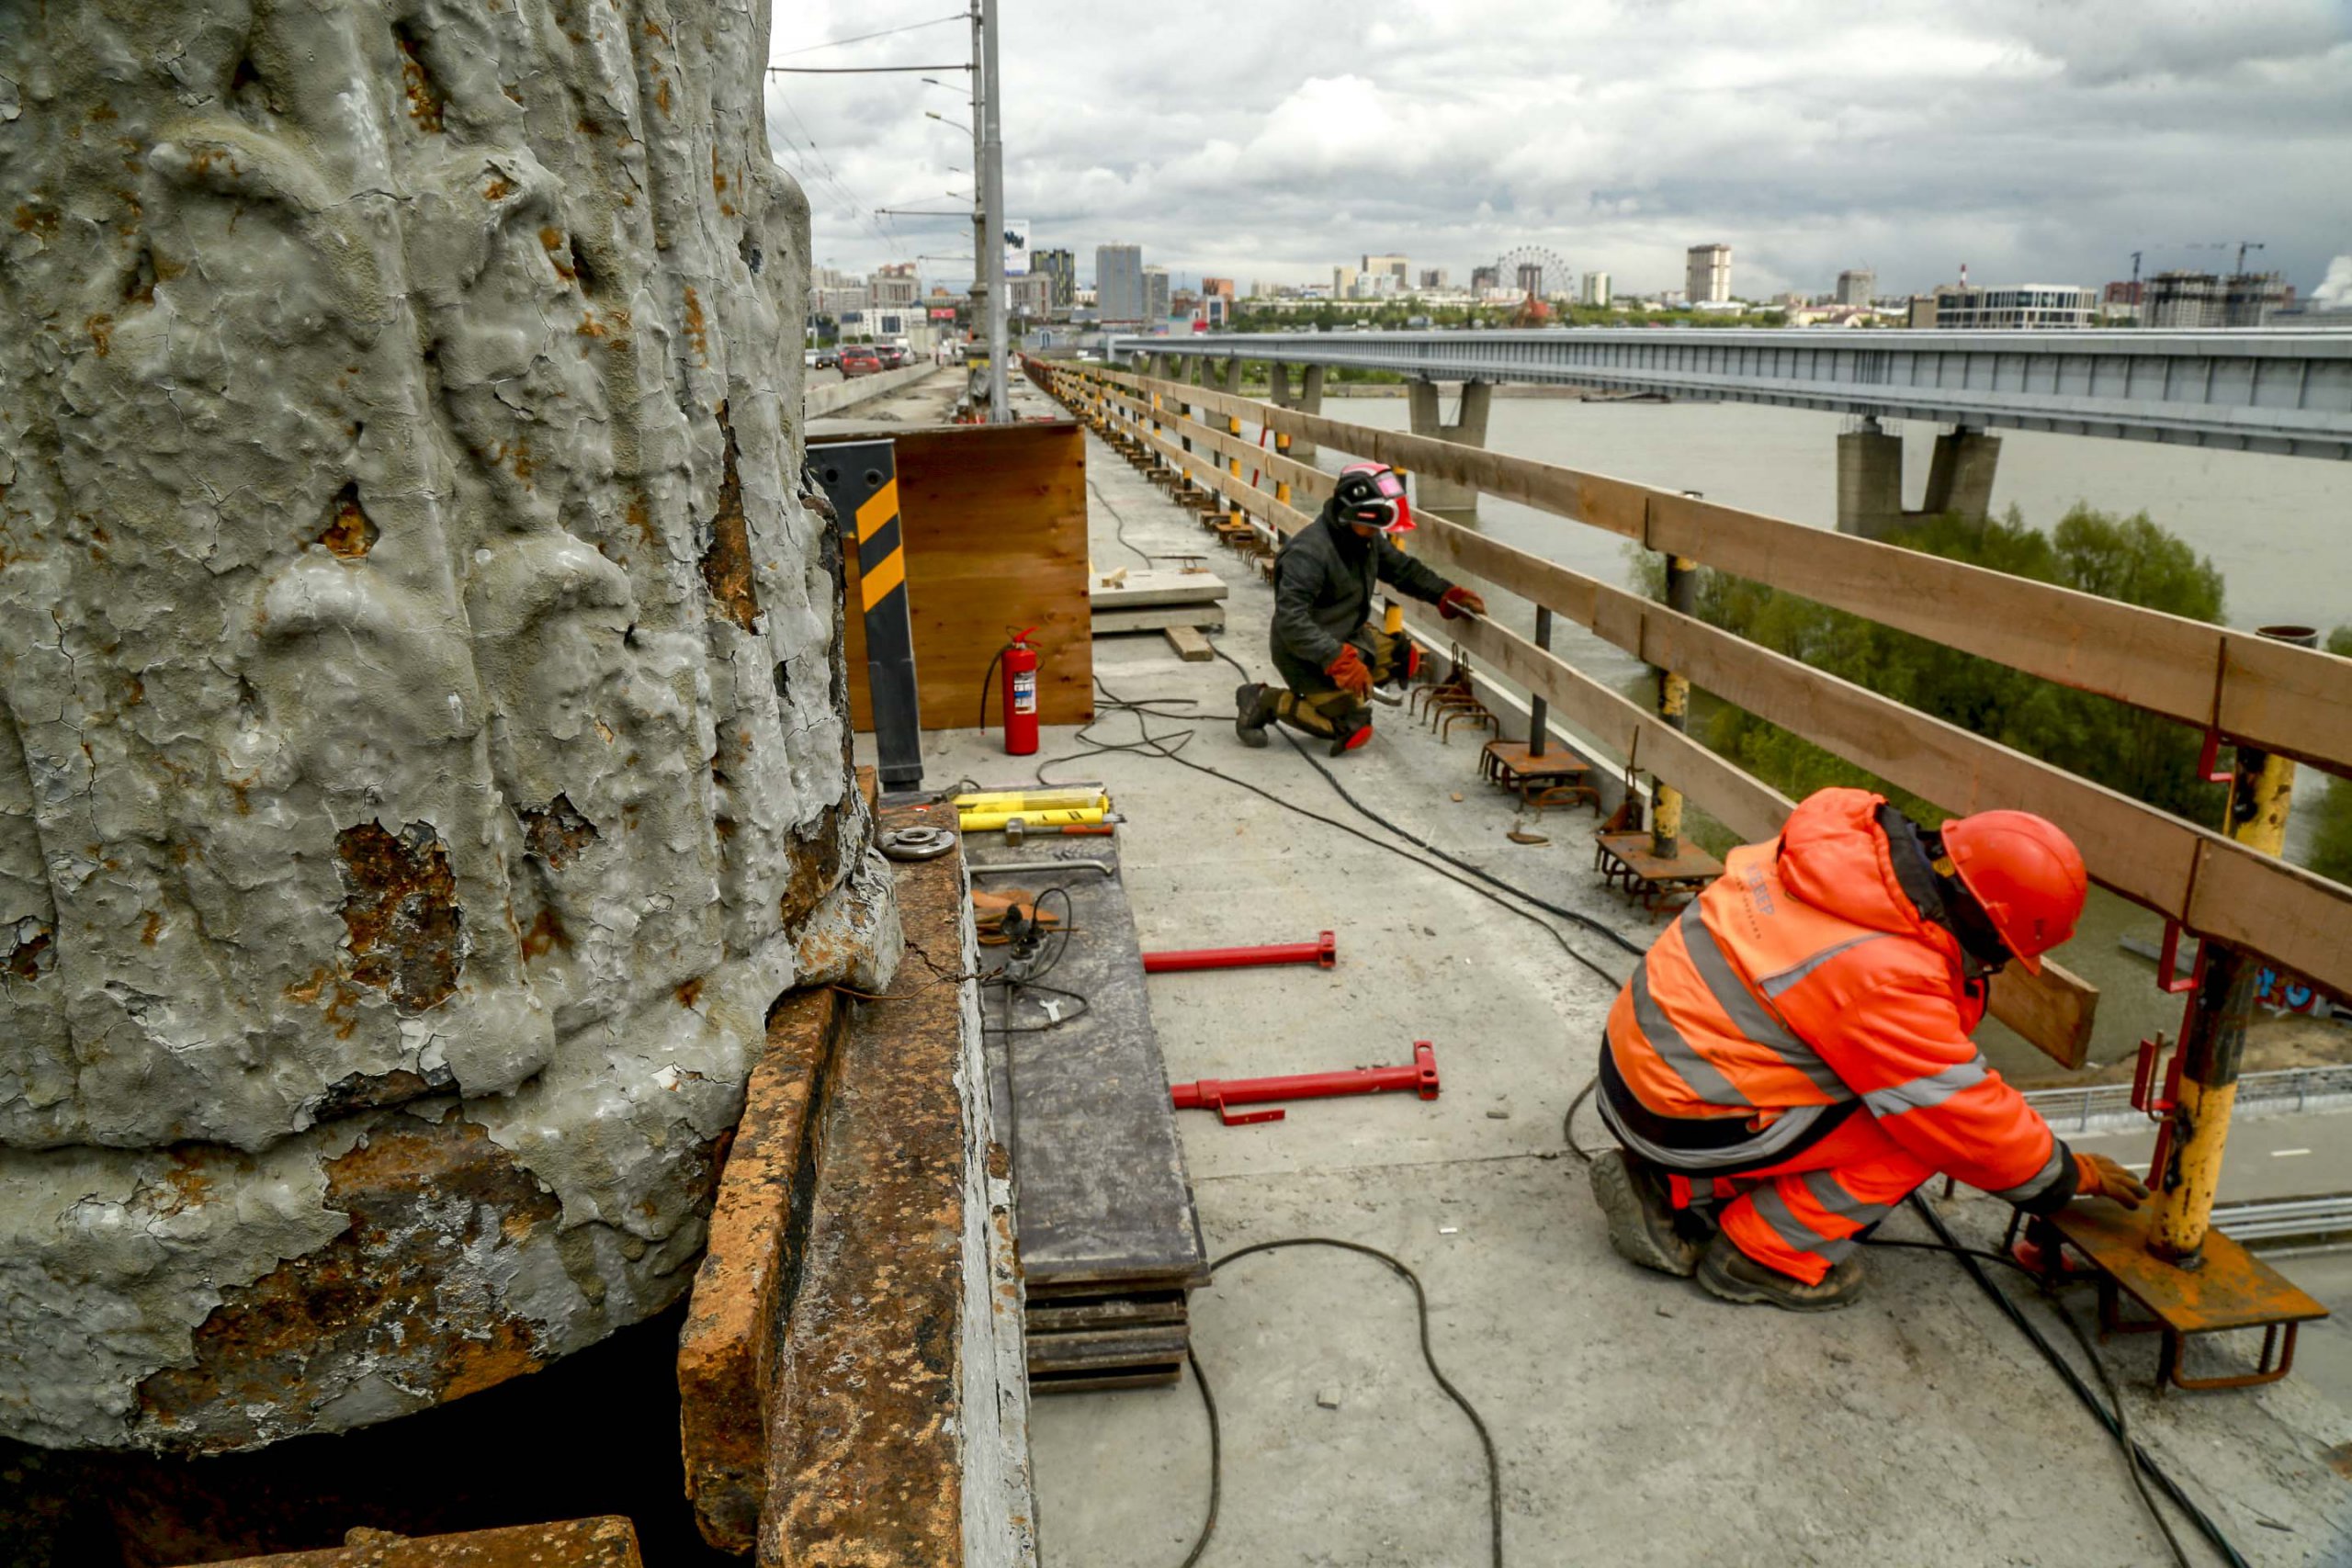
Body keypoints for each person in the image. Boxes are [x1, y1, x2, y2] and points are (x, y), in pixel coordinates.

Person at [1586, 786, 2149, 1310]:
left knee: (1886, 1094)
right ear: (1990, 928)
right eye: (1999, 954)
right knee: (1919, 1128)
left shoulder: (1840, 844)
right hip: (1681, 1111)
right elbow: (1964, 1120)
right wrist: (2066, 1176)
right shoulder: (1886, 972)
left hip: (1639, 1074)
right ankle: (1762, 1254)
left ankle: (1673, 1188)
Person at [1235, 461, 1486, 754]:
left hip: (1345, 634)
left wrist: (1445, 594)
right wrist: (1335, 659)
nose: (1376, 531)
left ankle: (1343, 684)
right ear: (1349, 514)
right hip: (1302, 651)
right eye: (1372, 524)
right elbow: (1291, 622)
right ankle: (1264, 700)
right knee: (1352, 728)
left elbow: (1403, 571)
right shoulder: (1307, 555)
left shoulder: (1364, 539)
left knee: (1403, 659)